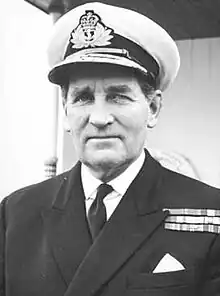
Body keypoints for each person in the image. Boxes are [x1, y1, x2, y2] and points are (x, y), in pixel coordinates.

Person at [1, 2, 220, 296]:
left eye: (118, 96)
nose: (100, 118)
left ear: (152, 108)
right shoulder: (16, 214)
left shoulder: (210, 213)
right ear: (66, 112)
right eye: (83, 97)